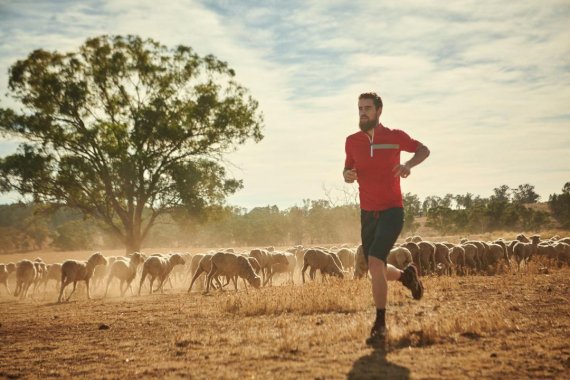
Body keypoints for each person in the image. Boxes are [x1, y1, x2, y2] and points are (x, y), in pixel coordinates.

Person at [343, 92, 430, 346]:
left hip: (392, 210)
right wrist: (347, 174)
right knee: (375, 269)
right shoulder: (352, 141)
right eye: (360, 108)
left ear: (379, 110)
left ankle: (380, 324)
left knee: (373, 261)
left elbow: (424, 149)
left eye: (367, 108)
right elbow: (348, 168)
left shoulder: (394, 137)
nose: (362, 112)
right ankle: (406, 277)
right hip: (367, 213)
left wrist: (409, 165)